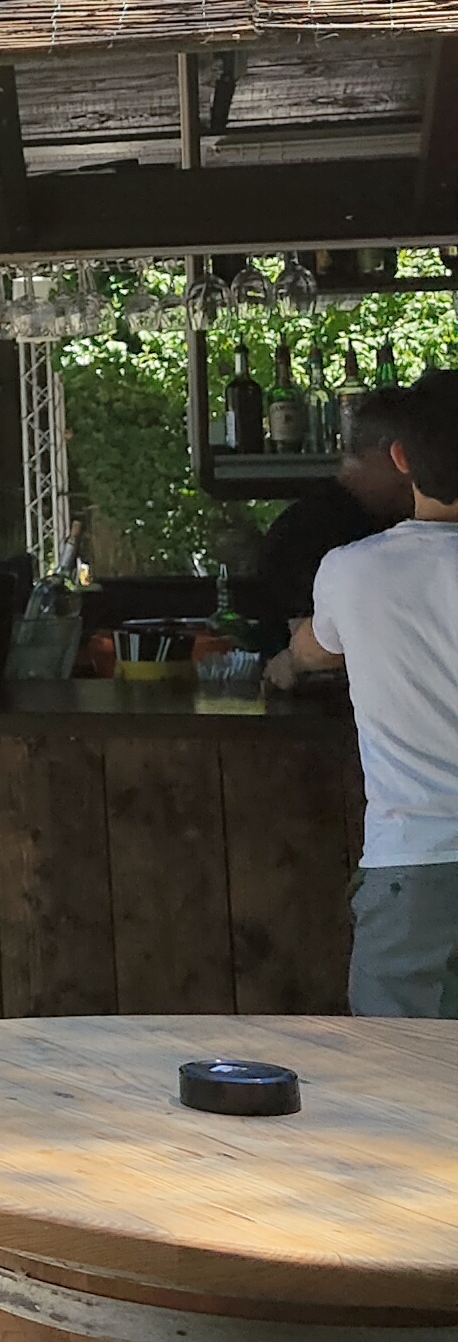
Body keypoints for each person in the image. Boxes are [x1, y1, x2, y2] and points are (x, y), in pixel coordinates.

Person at [278, 370, 458, 1016]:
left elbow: (311, 651)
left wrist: (285, 662)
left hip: (414, 866)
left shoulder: (351, 571)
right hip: (413, 868)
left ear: (400, 458)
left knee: (401, 1068)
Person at [248, 388, 415, 646]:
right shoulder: (303, 535)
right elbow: (312, 650)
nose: (420, 481)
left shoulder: (393, 522)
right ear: (396, 455)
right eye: (419, 462)